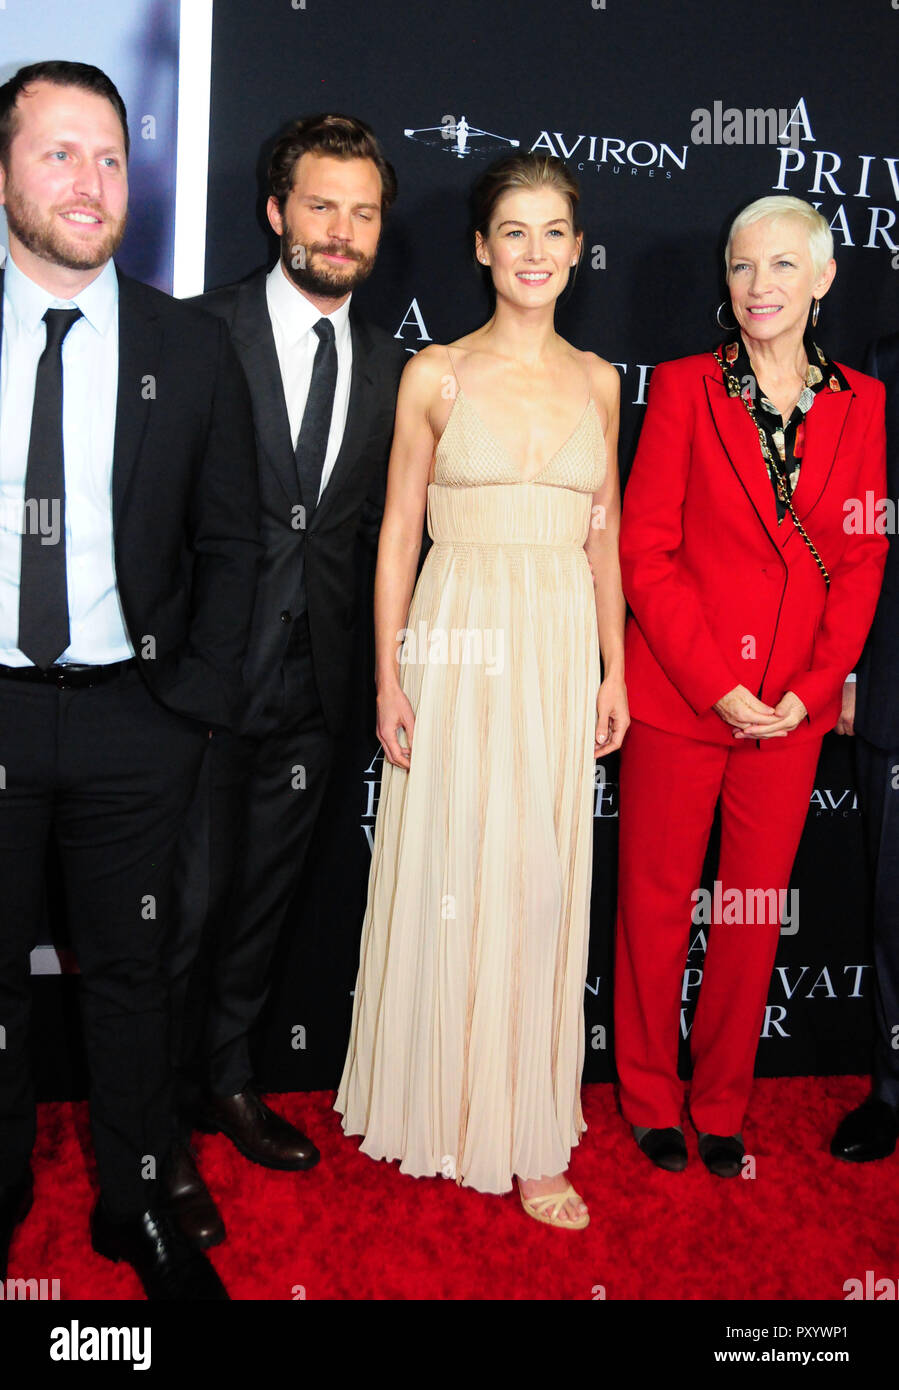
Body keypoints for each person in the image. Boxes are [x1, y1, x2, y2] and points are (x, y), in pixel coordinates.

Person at [0, 62, 260, 1298]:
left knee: (133, 972)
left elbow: (233, 540)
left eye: (108, 157)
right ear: (4, 174)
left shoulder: (188, 343)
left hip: (133, 718)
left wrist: (188, 710)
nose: (89, 182)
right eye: (57, 154)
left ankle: (133, 1194)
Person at [335, 152, 626, 1229]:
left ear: (576, 249)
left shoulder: (598, 380)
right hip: (453, 638)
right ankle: (442, 1099)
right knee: (454, 862)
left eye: (553, 233)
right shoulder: (435, 373)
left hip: (554, 642)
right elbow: (397, 532)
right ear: (479, 247)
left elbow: (606, 536)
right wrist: (388, 676)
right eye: (514, 231)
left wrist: (615, 665)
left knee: (539, 883)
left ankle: (528, 1127)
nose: (534, 253)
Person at [165, 114, 406, 1246]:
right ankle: (154, 1128)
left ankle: (229, 1083)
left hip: (316, 699)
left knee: (259, 912)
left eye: (361, 211)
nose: (341, 230)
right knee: (182, 916)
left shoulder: (399, 369)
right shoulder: (194, 335)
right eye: (320, 204)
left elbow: (377, 539)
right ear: (275, 213)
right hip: (195, 696)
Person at [615, 194, 888, 1178]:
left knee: (748, 910)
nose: (758, 286)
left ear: (820, 280)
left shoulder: (864, 403)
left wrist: (808, 687)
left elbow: (858, 557)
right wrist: (712, 680)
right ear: (722, 284)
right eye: (740, 268)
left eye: (780, 267)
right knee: (653, 901)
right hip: (682, 697)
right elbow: (644, 553)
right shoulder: (686, 388)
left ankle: (721, 1104)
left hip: (791, 710)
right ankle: (647, 1095)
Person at [831, 330, 899, 1164]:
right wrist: (847, 670)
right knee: (893, 907)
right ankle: (890, 1088)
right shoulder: (877, 371)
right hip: (893, 677)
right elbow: (850, 537)